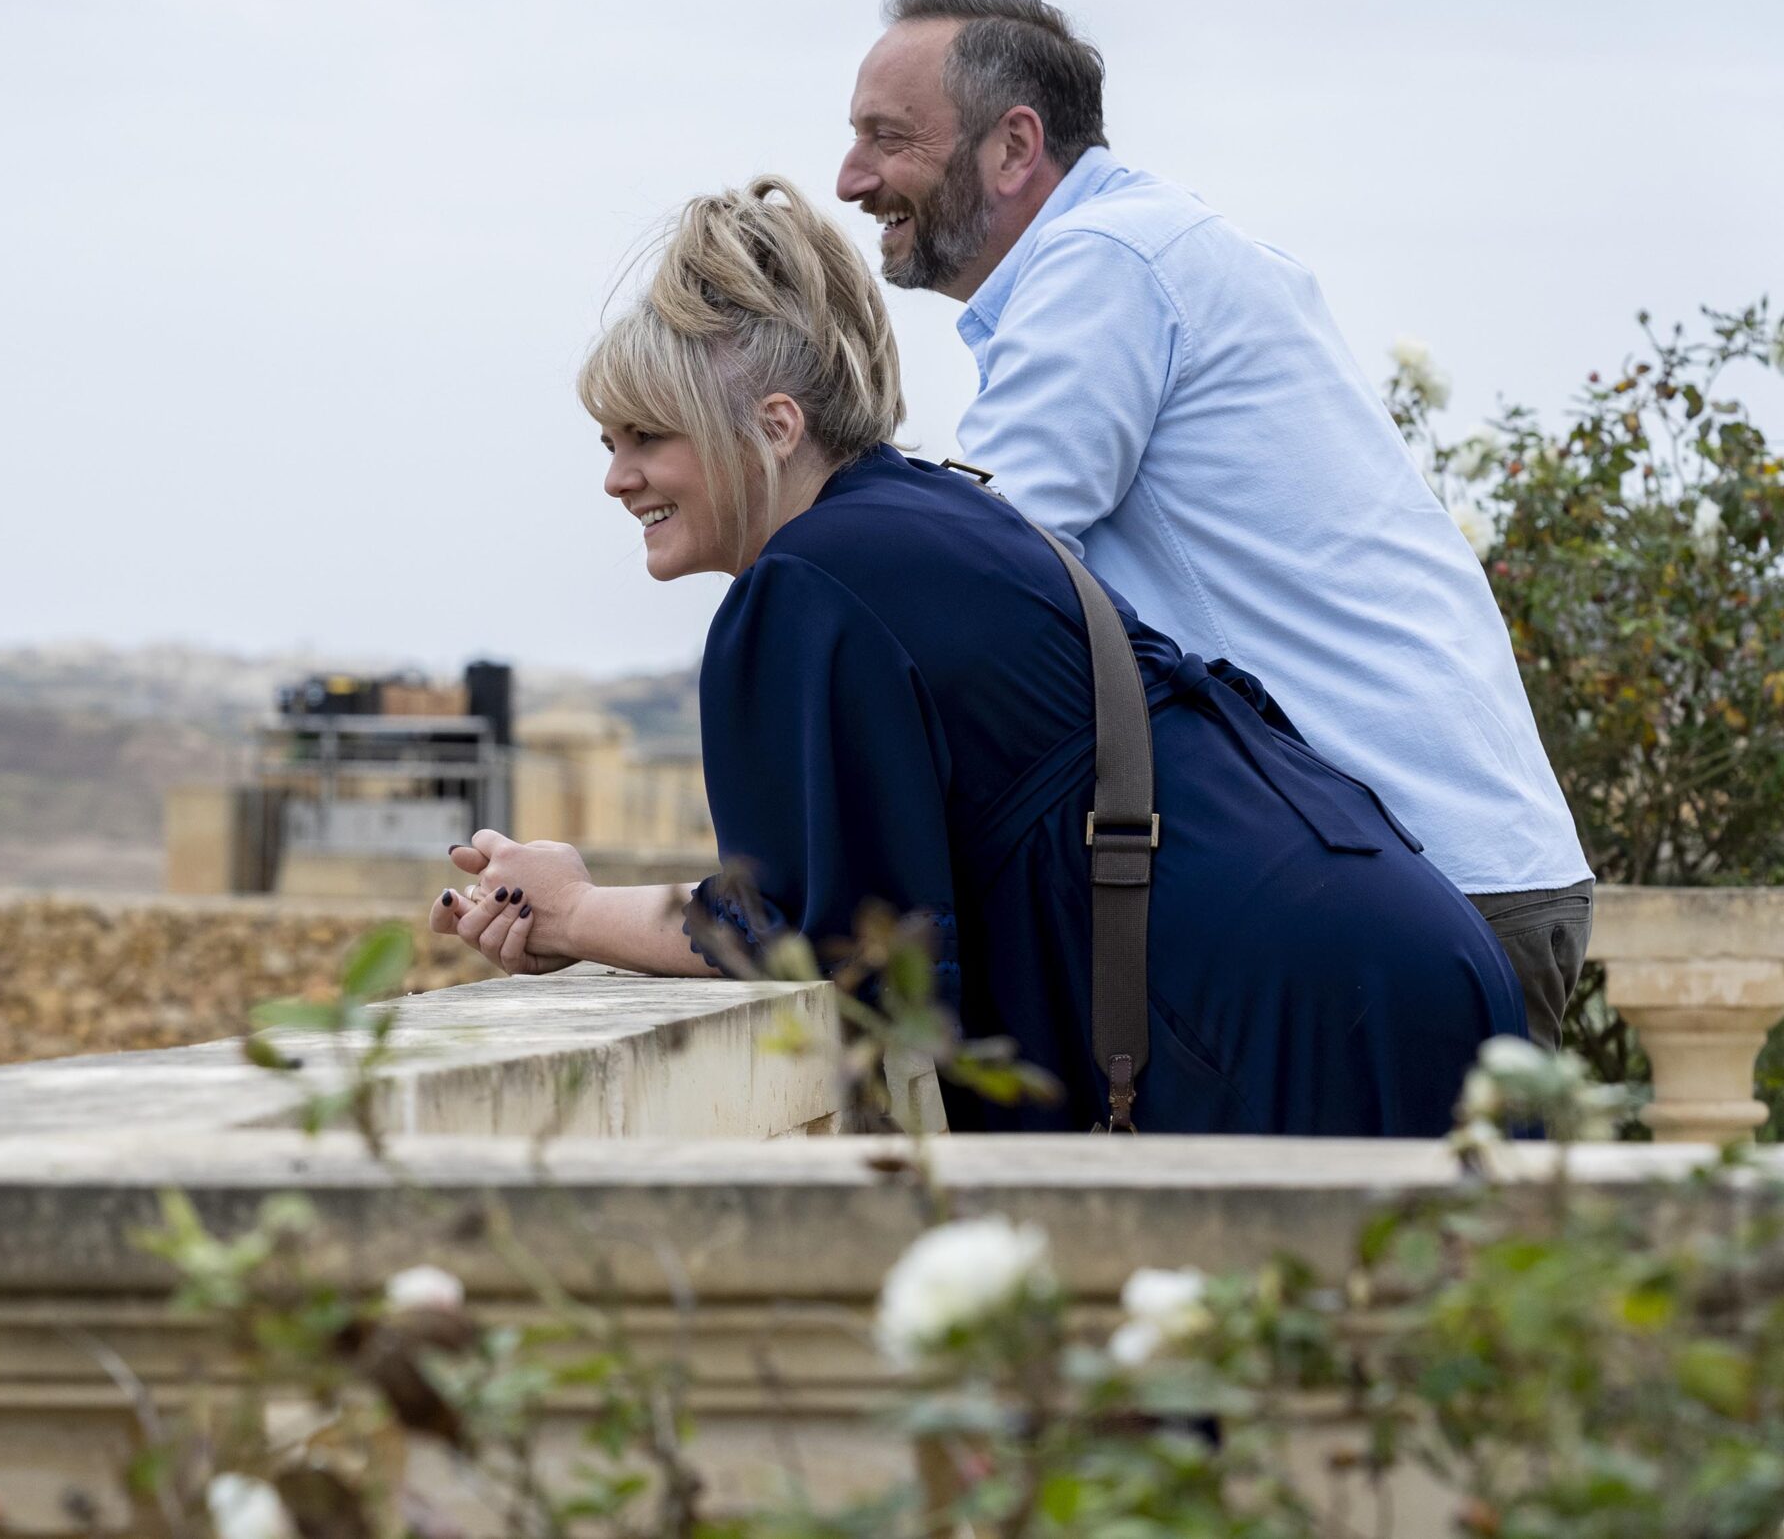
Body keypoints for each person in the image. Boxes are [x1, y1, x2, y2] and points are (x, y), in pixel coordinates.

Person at [433, 176, 1525, 1138]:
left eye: (647, 438)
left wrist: (574, 916)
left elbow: (831, 947)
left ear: (771, 426)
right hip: (1377, 959)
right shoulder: (923, 515)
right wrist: (574, 897)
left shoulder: (808, 584)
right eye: (608, 443)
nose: (619, 479)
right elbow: (855, 893)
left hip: (1283, 1017)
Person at [833, 0, 1591, 1046]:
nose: (851, 177)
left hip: (1414, 898)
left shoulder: (1104, 266)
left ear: (1013, 147)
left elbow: (976, 573)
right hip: (1456, 870)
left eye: (886, 137)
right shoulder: (1160, 246)